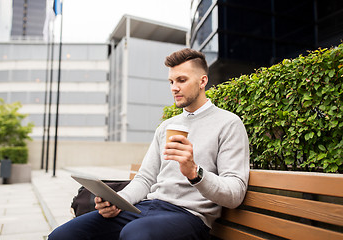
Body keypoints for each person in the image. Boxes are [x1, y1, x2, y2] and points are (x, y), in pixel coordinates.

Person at [48, 48, 250, 240]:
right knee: (63, 235)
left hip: (189, 216)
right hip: (147, 207)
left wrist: (194, 172)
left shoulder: (228, 124)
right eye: (171, 81)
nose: (174, 88)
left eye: (181, 80)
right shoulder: (167, 126)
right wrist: (119, 201)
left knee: (136, 233)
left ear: (202, 81)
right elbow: (145, 178)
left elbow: (235, 194)